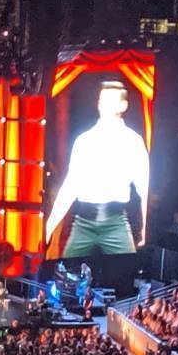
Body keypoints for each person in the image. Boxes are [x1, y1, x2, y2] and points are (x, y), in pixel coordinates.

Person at [45, 78, 150, 260]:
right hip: (83, 223)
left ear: (123, 105)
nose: (104, 106)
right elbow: (70, 188)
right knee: (66, 272)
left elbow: (144, 188)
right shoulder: (84, 141)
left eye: (110, 101)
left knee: (125, 273)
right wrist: (49, 226)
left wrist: (145, 228)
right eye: (101, 101)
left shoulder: (133, 141)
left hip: (116, 222)